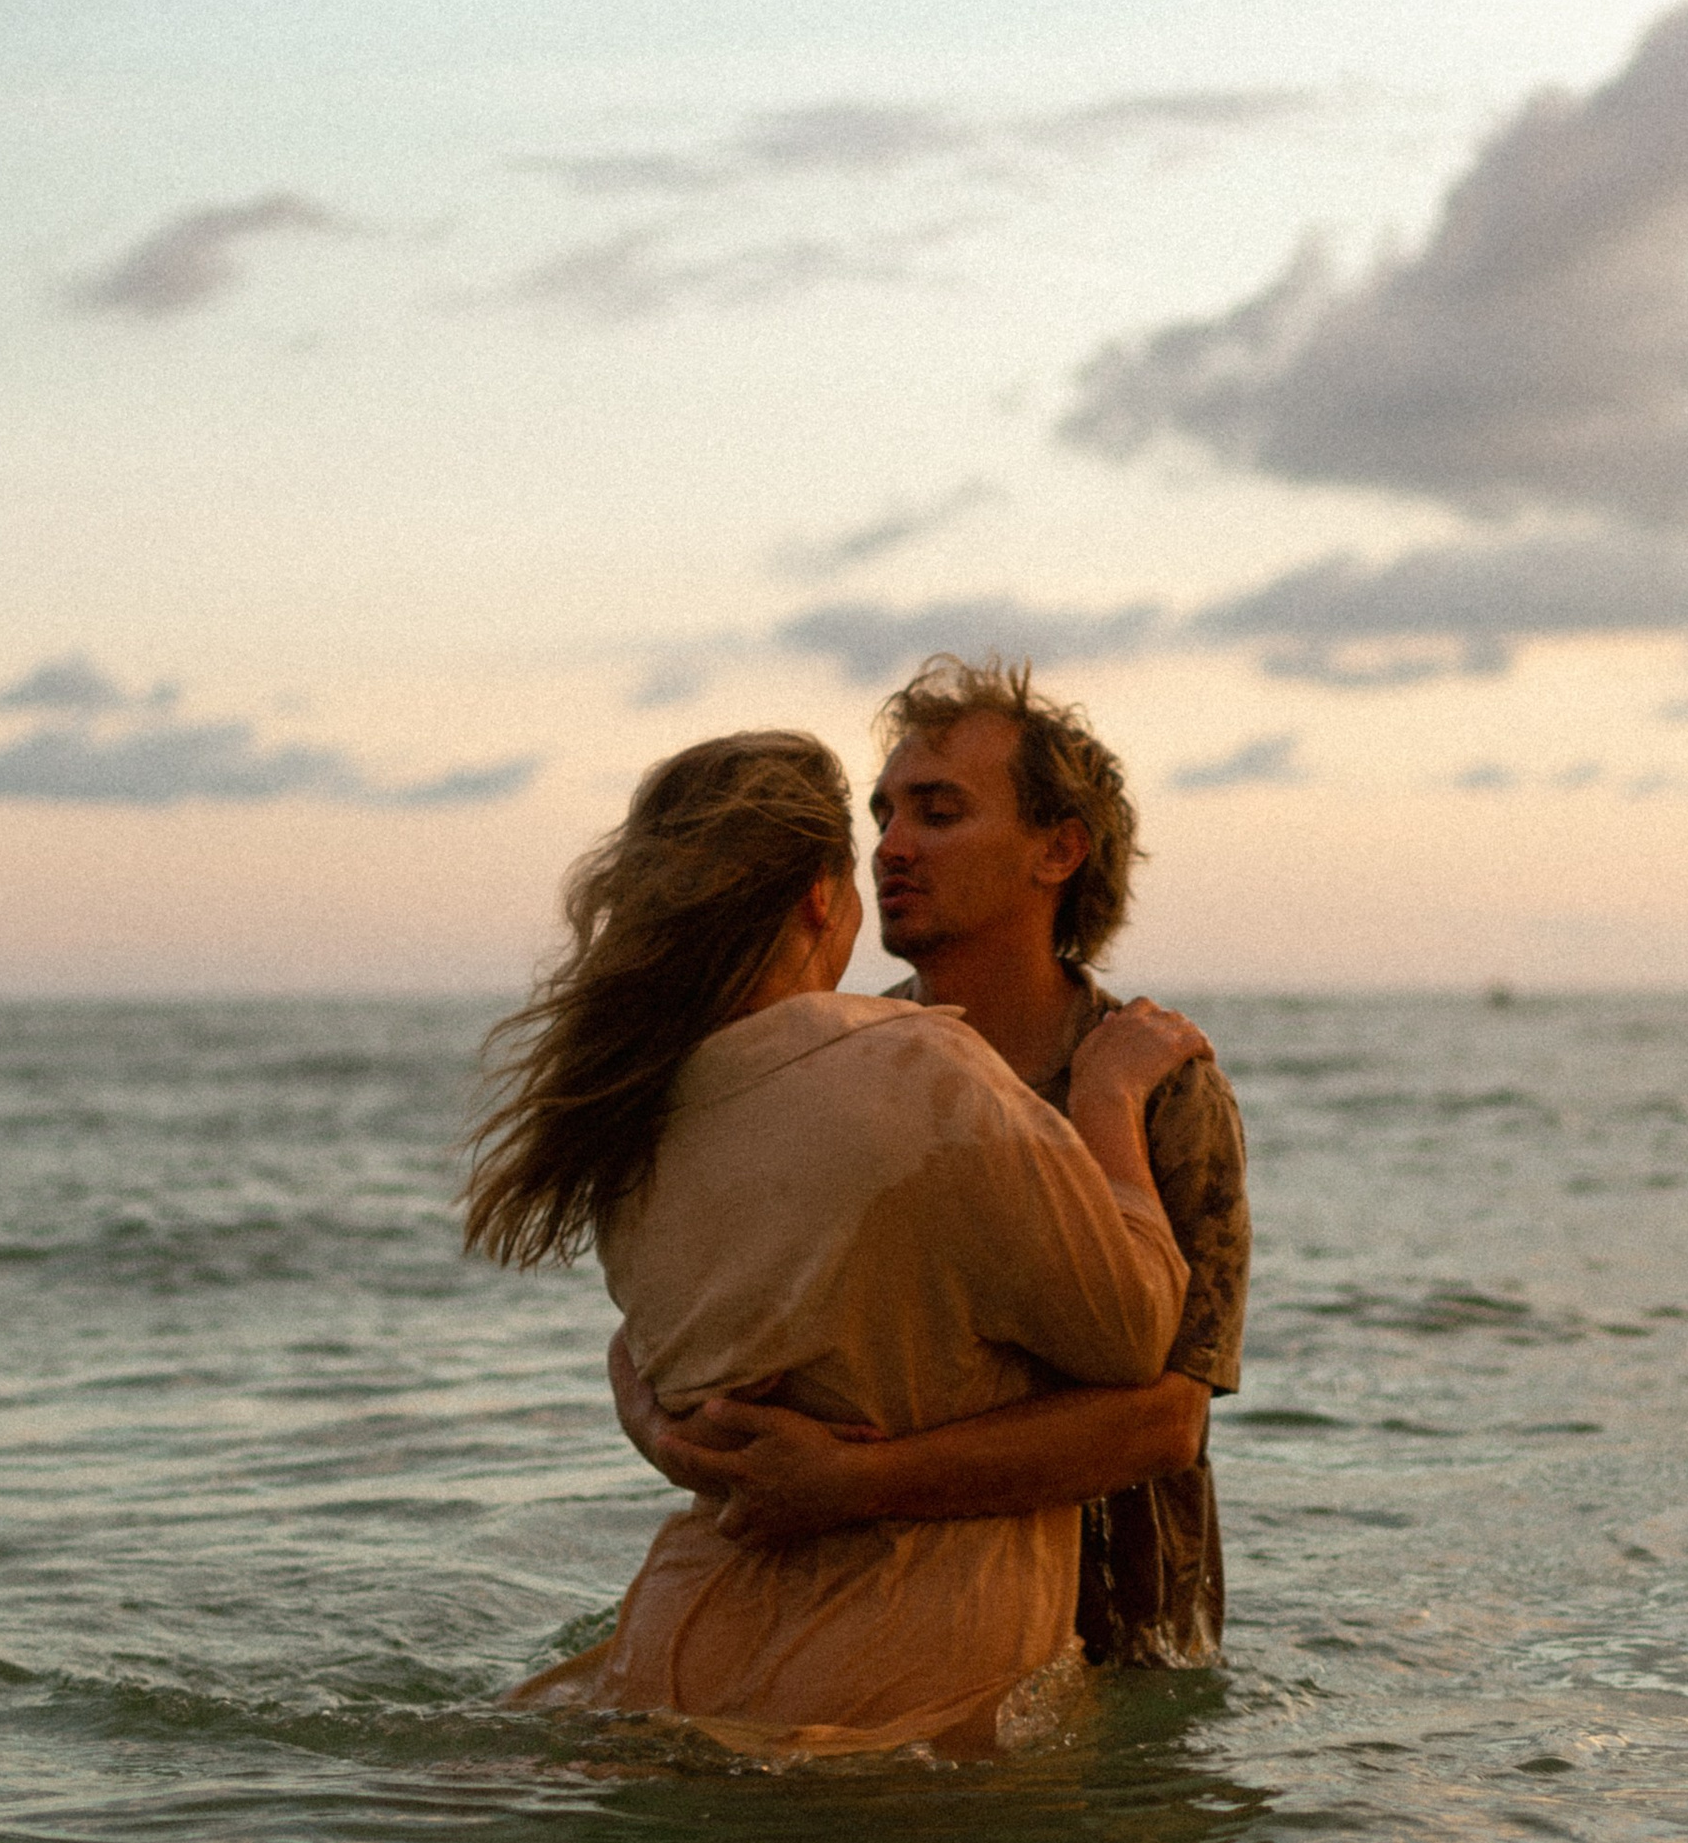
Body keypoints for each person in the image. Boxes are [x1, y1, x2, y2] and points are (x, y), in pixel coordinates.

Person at [463, 726, 1203, 1758]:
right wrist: (1109, 1100)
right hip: (894, 1679)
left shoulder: (625, 1106)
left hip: (673, 1649)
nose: (895, 850)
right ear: (820, 898)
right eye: (872, 836)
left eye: (936, 813)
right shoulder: (920, 1067)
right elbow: (1134, 1332)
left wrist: (647, 1416)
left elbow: (671, 1352)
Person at [616, 657, 1250, 1667]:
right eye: (883, 816)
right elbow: (704, 1310)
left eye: (939, 813)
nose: (891, 847)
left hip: (1119, 1639)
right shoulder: (842, 1064)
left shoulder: (1158, 1085)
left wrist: (858, 1483)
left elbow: (1165, 1424)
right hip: (851, 1633)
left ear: (1059, 850)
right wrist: (667, 1430)